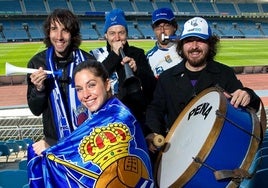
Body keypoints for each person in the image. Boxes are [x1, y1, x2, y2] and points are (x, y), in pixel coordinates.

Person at [28, 60, 155, 188]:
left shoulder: (118, 116)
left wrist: (50, 151)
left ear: (107, 84)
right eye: (79, 89)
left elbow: (79, 155)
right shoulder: (105, 113)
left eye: (91, 85)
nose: (85, 95)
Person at [145, 17, 261, 153]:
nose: (194, 46)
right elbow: (155, 110)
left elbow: (251, 106)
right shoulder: (167, 78)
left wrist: (247, 94)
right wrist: (154, 132)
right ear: (181, 45)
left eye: (200, 40)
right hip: (177, 150)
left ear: (210, 44)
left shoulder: (224, 73)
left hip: (216, 148)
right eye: (188, 41)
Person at [26, 8, 95, 155]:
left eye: (65, 30)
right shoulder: (36, 63)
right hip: (52, 145)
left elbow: (99, 105)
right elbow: (35, 109)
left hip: (86, 143)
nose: (59, 36)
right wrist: (39, 89)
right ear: (48, 32)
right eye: (54, 29)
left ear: (73, 34)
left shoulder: (88, 62)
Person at [89, 8, 157, 134]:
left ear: (127, 34)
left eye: (121, 32)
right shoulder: (96, 55)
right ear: (105, 35)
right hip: (106, 119)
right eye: (112, 33)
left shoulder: (138, 54)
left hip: (134, 116)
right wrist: (114, 54)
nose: (117, 37)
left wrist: (137, 71)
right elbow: (94, 80)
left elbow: (152, 86)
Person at [146, 7, 182, 78]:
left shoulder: (186, 50)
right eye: (158, 27)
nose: (162, 30)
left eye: (166, 26)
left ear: (175, 27)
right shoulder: (148, 58)